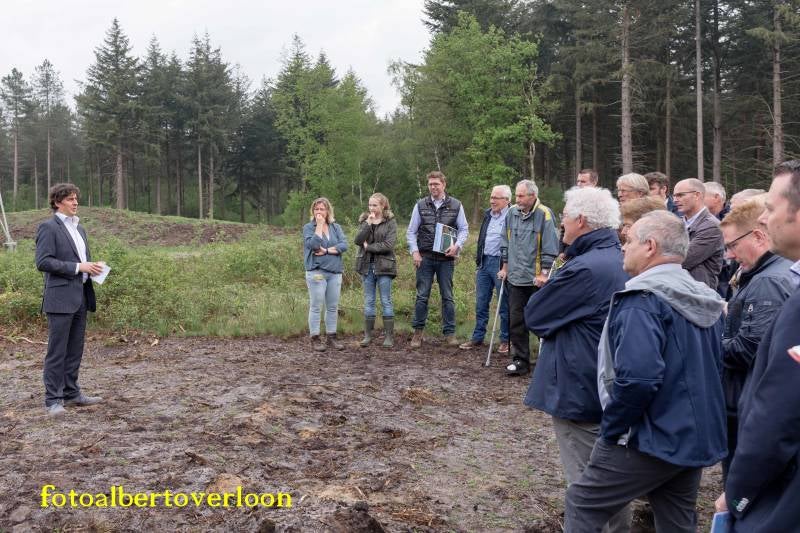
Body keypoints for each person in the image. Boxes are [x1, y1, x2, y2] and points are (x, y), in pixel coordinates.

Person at [566, 210, 727, 533]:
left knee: (583, 502)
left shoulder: (642, 301)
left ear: (650, 245)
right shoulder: (703, 298)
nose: (623, 248)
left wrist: (612, 430)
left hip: (650, 436)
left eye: (628, 241)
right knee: (676, 519)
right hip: (693, 435)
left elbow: (638, 379)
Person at [524, 187, 631, 532]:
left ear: (581, 221)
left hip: (580, 388)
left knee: (587, 486)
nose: (562, 225)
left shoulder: (585, 268)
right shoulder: (617, 256)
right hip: (603, 384)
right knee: (609, 480)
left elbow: (536, 314)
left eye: (566, 217)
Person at [716, 160, 800, 532]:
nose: (764, 219)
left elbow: (777, 413)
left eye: (771, 208)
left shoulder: (775, 286)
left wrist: (738, 491)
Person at [717, 198, 795, 480]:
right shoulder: (768, 273)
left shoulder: (767, 281)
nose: (730, 255)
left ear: (758, 236)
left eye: (732, 245)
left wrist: (710, 344)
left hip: (745, 400)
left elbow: (751, 349)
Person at [35, 183, 105, 417]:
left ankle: (71, 393)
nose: (75, 203)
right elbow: (43, 262)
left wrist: (92, 268)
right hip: (59, 299)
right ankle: (53, 400)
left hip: (81, 296)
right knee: (57, 351)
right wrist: (78, 267)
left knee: (75, 349)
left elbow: (83, 261)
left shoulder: (80, 229)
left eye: (76, 198)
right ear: (57, 202)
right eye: (70, 199)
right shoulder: (48, 227)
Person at [498, 179, 559, 376]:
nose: (517, 199)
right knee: (516, 321)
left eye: (521, 196)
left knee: (540, 319)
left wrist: (544, 274)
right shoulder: (512, 213)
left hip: (536, 280)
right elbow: (505, 241)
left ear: (533, 196)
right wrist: (505, 267)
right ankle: (520, 360)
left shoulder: (545, 215)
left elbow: (551, 247)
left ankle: (549, 360)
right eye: (516, 195)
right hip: (515, 277)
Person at [406, 171, 469, 348]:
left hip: (446, 258)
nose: (433, 187)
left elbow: (464, 229)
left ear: (444, 185)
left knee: (448, 296)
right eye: (430, 184)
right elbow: (411, 231)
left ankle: (449, 333)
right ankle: (418, 333)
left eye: (436, 184)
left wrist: (457, 246)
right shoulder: (420, 205)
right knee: (422, 296)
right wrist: (414, 252)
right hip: (424, 257)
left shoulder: (456, 205)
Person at [459, 185, 510, 353]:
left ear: (507, 200)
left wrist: (506, 265)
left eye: (496, 198)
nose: (492, 200)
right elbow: (482, 238)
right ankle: (478, 337)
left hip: (501, 263)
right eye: (491, 197)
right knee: (481, 303)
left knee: (504, 304)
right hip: (484, 262)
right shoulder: (488, 215)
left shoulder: (511, 216)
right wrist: (478, 262)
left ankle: (505, 340)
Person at [303, 197, 348, 352]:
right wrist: (319, 226)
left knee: (333, 306)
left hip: (335, 272)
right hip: (316, 272)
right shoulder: (309, 228)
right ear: (313, 211)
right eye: (316, 209)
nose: (319, 212)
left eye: (322, 209)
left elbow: (344, 245)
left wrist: (328, 250)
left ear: (328, 211)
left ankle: (331, 337)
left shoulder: (336, 227)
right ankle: (315, 338)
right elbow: (314, 245)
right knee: (316, 306)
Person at [354, 193, 397, 348]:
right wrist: (368, 224)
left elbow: (389, 245)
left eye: (375, 205)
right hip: (366, 266)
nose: (372, 208)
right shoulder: (364, 220)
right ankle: (367, 336)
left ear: (383, 206)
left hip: (384, 267)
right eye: (370, 205)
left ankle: (389, 337)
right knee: (369, 301)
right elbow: (358, 240)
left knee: (386, 300)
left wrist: (369, 247)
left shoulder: (390, 222)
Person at [672, 178, 724, 289]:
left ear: (697, 195)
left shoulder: (712, 226)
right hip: (678, 290)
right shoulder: (676, 223)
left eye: (680, 195)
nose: (675, 200)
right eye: (674, 196)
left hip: (698, 296)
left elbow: (682, 259)